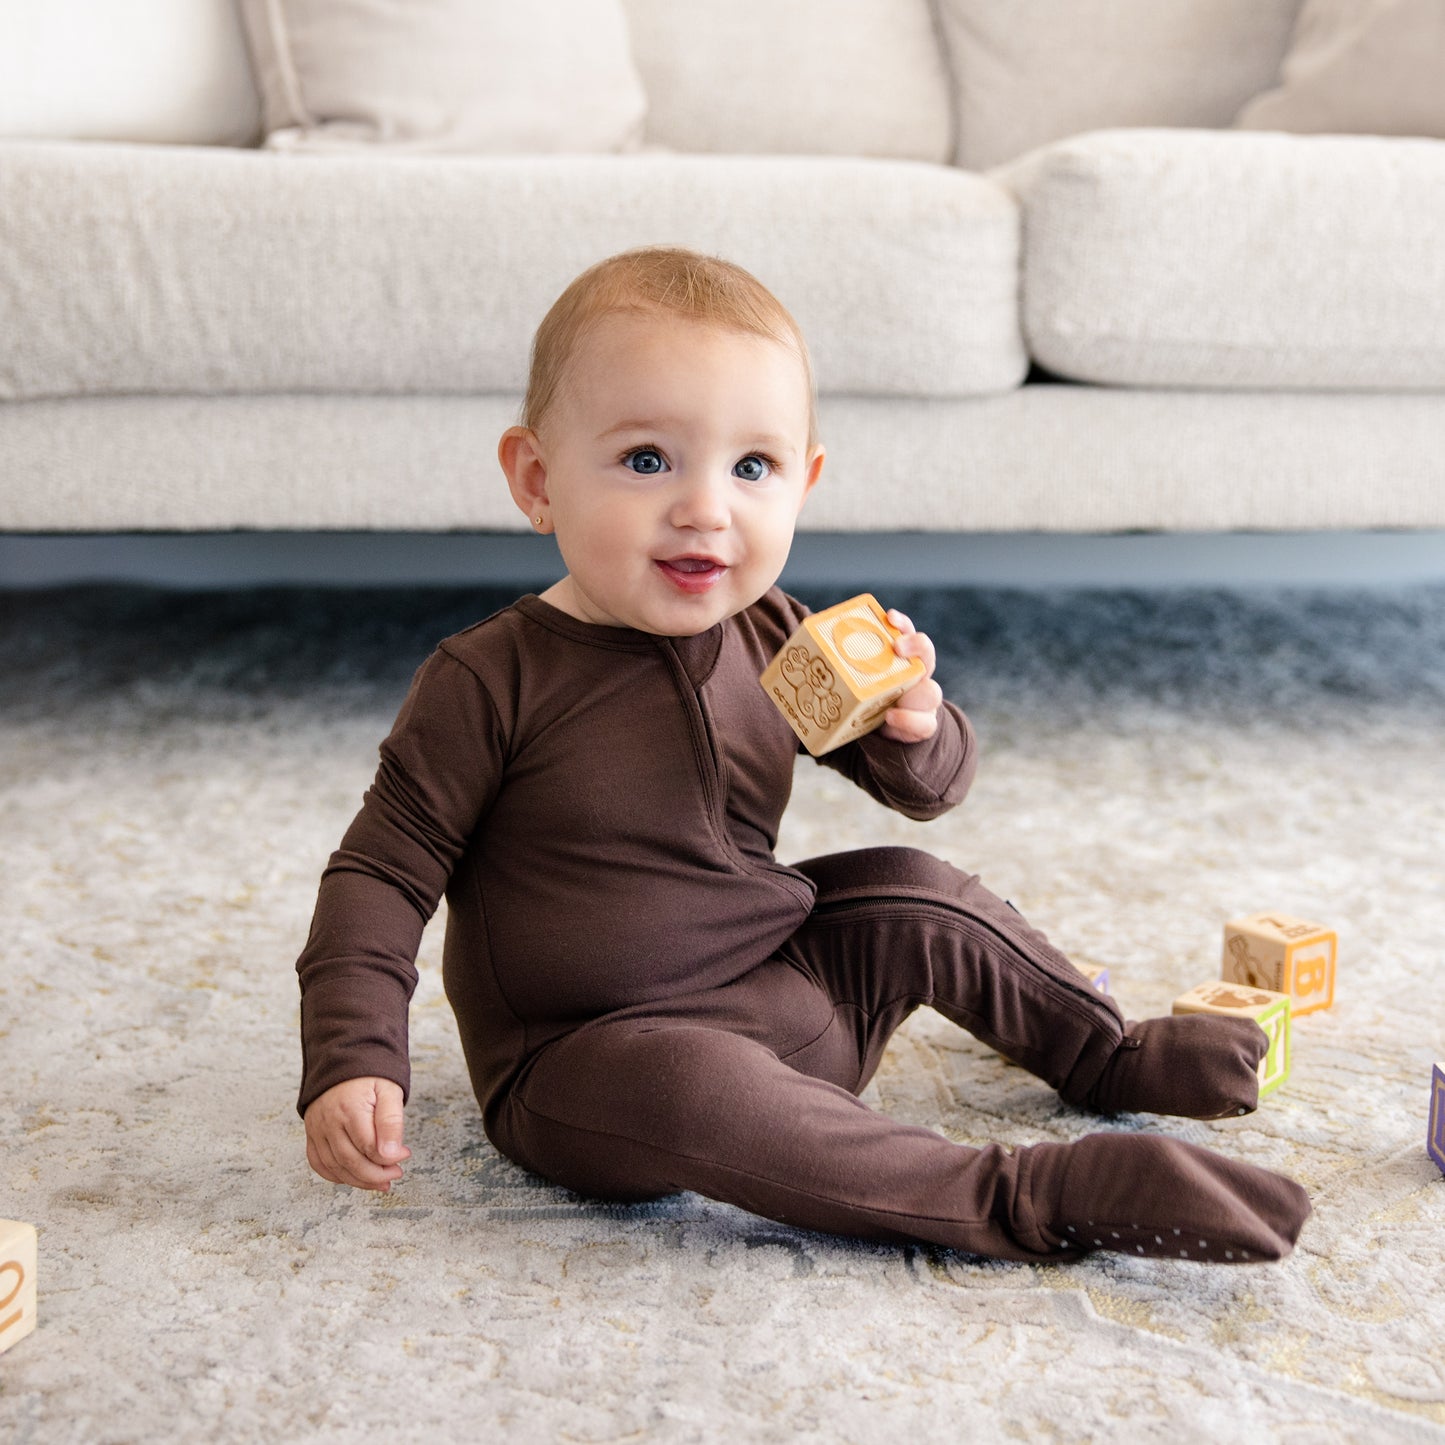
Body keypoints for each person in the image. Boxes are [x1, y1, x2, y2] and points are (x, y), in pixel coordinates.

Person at [296, 245, 1310, 1263]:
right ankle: (1023, 1195)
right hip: (594, 1064)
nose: (705, 507)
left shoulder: (775, 633)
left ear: (803, 483)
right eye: (647, 460)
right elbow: (380, 873)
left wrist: (918, 727)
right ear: (537, 478)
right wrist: (353, 1053)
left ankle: (1103, 1051)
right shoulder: (490, 679)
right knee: (694, 1087)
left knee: (913, 889)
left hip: (791, 995)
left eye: (752, 468)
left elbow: (923, 790)